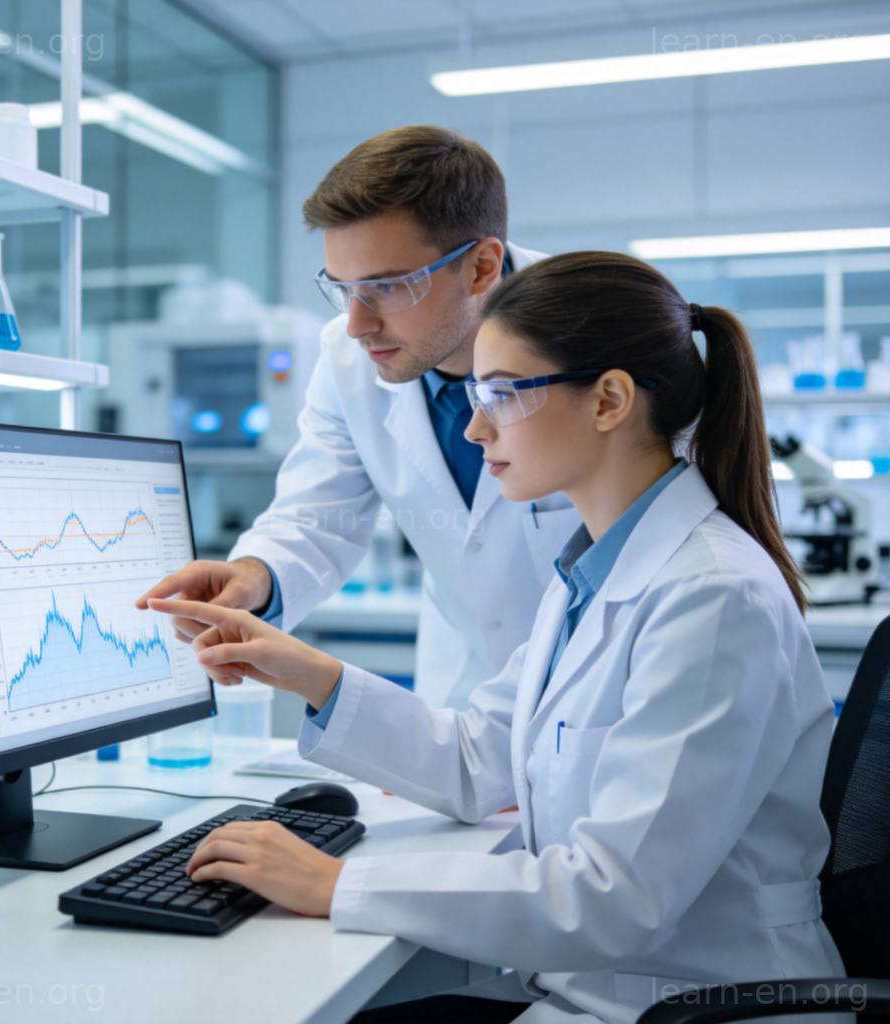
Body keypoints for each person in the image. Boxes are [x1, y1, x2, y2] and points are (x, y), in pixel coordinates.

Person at [147, 252, 845, 1024]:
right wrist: (313, 676)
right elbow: (482, 758)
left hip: (691, 1003)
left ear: (610, 399)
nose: (477, 427)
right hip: (598, 990)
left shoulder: (712, 597)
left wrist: (335, 886)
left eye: (503, 395)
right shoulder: (596, 568)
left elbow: (617, 900)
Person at [138, 126, 580, 709]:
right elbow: (319, 516)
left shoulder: (594, 340)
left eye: (388, 287)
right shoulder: (348, 359)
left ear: (480, 267)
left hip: (605, 700)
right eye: (342, 288)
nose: (357, 324)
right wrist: (254, 573)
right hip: (466, 702)